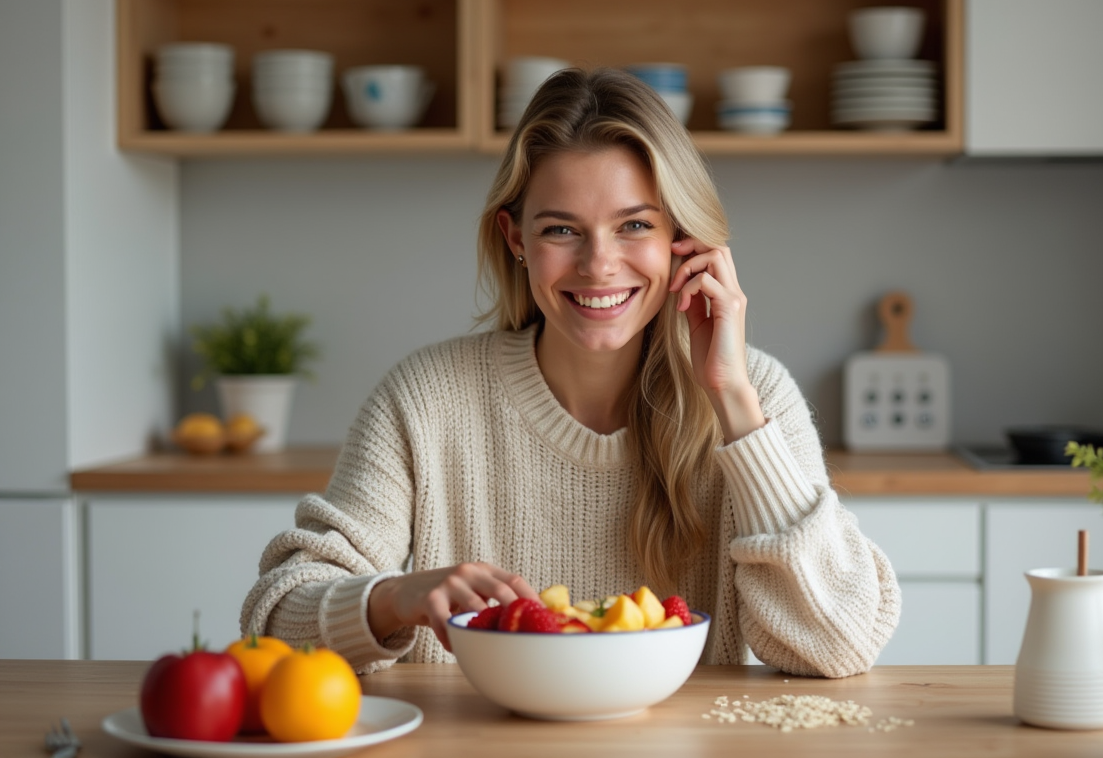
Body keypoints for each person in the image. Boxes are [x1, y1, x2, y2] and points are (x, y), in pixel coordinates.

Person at [241, 67, 900, 677]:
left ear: (685, 244)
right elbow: (273, 621)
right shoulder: (425, 399)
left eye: (634, 225)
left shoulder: (755, 396)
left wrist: (732, 403)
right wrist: (393, 597)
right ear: (516, 239)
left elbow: (837, 644)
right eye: (561, 230)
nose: (599, 264)